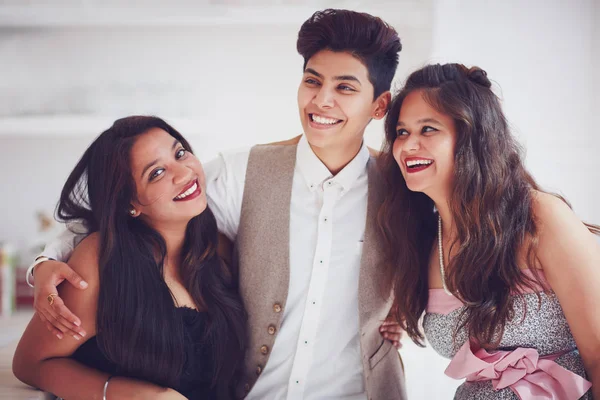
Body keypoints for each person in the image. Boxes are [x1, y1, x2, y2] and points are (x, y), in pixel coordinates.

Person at [22, 9, 406, 400]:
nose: (321, 100)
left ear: (379, 106)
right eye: (312, 81)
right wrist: (44, 263)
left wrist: (408, 310)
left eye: (344, 88)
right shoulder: (241, 173)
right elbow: (122, 212)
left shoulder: (401, 190)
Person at [378, 63, 600, 399]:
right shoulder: (422, 236)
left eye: (428, 129)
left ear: (472, 138)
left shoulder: (540, 217)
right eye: (402, 132)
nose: (408, 146)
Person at [12, 116, 247, 399]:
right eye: (156, 173)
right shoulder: (101, 261)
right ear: (129, 204)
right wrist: (128, 393)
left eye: (180, 153)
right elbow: (30, 363)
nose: (184, 173)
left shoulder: (216, 248)